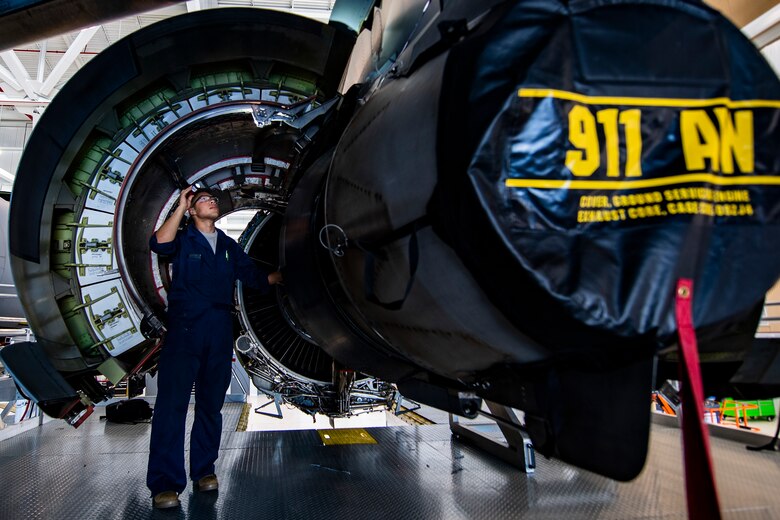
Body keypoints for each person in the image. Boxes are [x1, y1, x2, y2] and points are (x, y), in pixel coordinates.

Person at [146, 186, 282, 509]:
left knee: (210, 405)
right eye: (204, 199)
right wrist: (179, 206)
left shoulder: (228, 246)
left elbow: (256, 278)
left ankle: (203, 470)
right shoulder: (182, 240)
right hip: (184, 331)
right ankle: (165, 484)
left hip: (219, 330)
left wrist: (287, 276)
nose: (212, 202)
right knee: (172, 406)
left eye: (213, 200)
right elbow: (158, 243)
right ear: (192, 210)